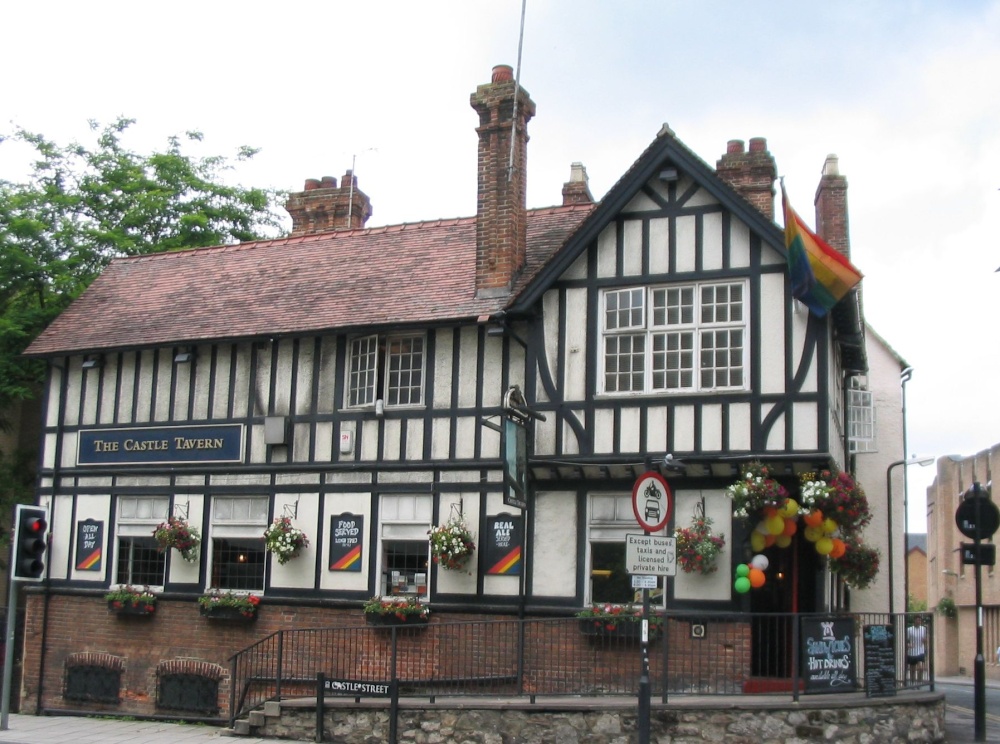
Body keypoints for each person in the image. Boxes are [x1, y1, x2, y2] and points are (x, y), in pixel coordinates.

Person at [906, 616, 927, 685]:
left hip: (920, 650)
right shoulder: (909, 629)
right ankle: (912, 682)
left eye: (920, 620)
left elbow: (925, 639)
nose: (919, 622)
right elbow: (907, 640)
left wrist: (925, 641)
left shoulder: (923, 629)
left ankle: (919, 682)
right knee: (912, 669)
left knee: (920, 668)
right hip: (912, 651)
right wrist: (908, 645)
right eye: (917, 620)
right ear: (914, 621)